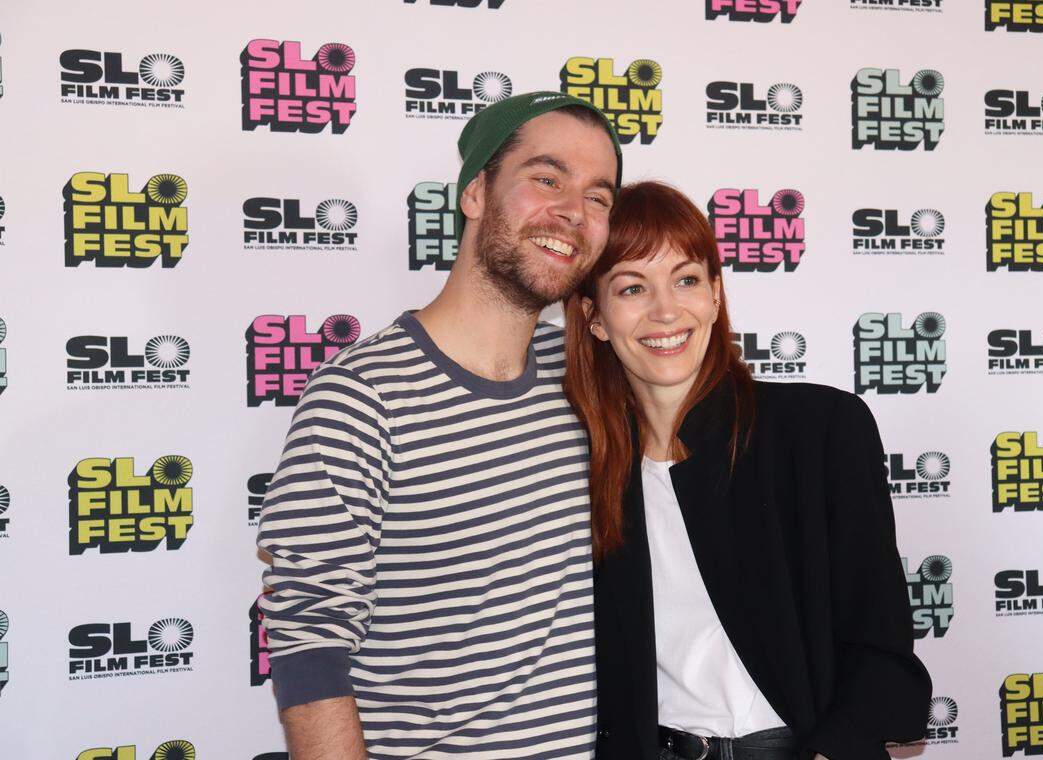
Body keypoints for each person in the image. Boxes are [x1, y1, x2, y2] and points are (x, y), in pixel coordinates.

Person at [255, 91, 622, 759]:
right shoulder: (362, 397)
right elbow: (310, 645)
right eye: (546, 179)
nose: (573, 212)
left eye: (599, 198)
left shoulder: (588, 381)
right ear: (476, 193)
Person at [563, 181, 932, 760]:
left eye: (686, 280)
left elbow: (880, 645)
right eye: (632, 287)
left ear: (714, 294)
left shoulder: (818, 429)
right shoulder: (584, 466)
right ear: (595, 318)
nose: (665, 311)